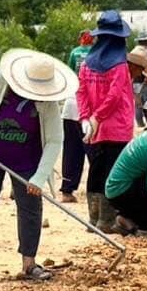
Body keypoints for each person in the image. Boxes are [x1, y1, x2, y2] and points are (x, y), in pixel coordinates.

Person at [0, 49, 76, 281]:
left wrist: (39, 177)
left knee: (30, 206)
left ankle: (29, 264)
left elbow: (55, 140)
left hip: (27, 160)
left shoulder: (47, 100)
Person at [78, 10, 136, 233]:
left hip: (94, 129)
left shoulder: (87, 63)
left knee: (96, 169)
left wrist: (86, 118)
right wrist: (95, 117)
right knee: (113, 172)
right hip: (116, 126)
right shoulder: (119, 65)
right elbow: (114, 97)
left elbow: (81, 91)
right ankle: (106, 220)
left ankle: (94, 219)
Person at [59, 31, 95, 203]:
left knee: (71, 150)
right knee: (93, 151)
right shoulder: (98, 55)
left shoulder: (74, 52)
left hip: (71, 104)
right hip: (87, 109)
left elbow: (68, 74)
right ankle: (95, 192)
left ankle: (67, 190)